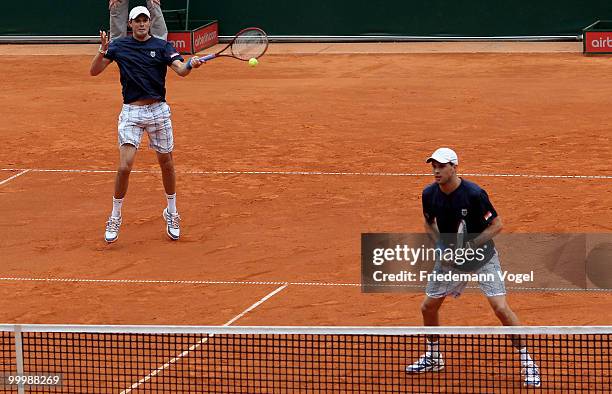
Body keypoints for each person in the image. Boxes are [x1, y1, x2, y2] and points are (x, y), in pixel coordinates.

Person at [405, 147, 541, 388]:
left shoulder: (474, 194)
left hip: (482, 257)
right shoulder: (429, 194)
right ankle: (434, 357)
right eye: (433, 165)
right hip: (450, 260)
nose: (436, 170)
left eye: (441, 165)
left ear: (454, 167)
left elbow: (497, 225)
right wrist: (440, 247)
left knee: (500, 307)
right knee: (428, 307)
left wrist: (470, 246)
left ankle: (528, 362)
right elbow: (429, 223)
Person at [90, 6, 204, 243]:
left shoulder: (162, 46)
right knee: (124, 166)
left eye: (145, 20)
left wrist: (191, 65)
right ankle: (115, 216)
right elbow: (94, 71)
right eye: (137, 21)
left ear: (150, 22)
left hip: (158, 112)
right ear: (130, 24)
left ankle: (172, 212)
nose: (141, 24)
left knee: (167, 164)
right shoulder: (119, 46)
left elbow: (181, 71)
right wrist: (102, 50)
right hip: (132, 112)